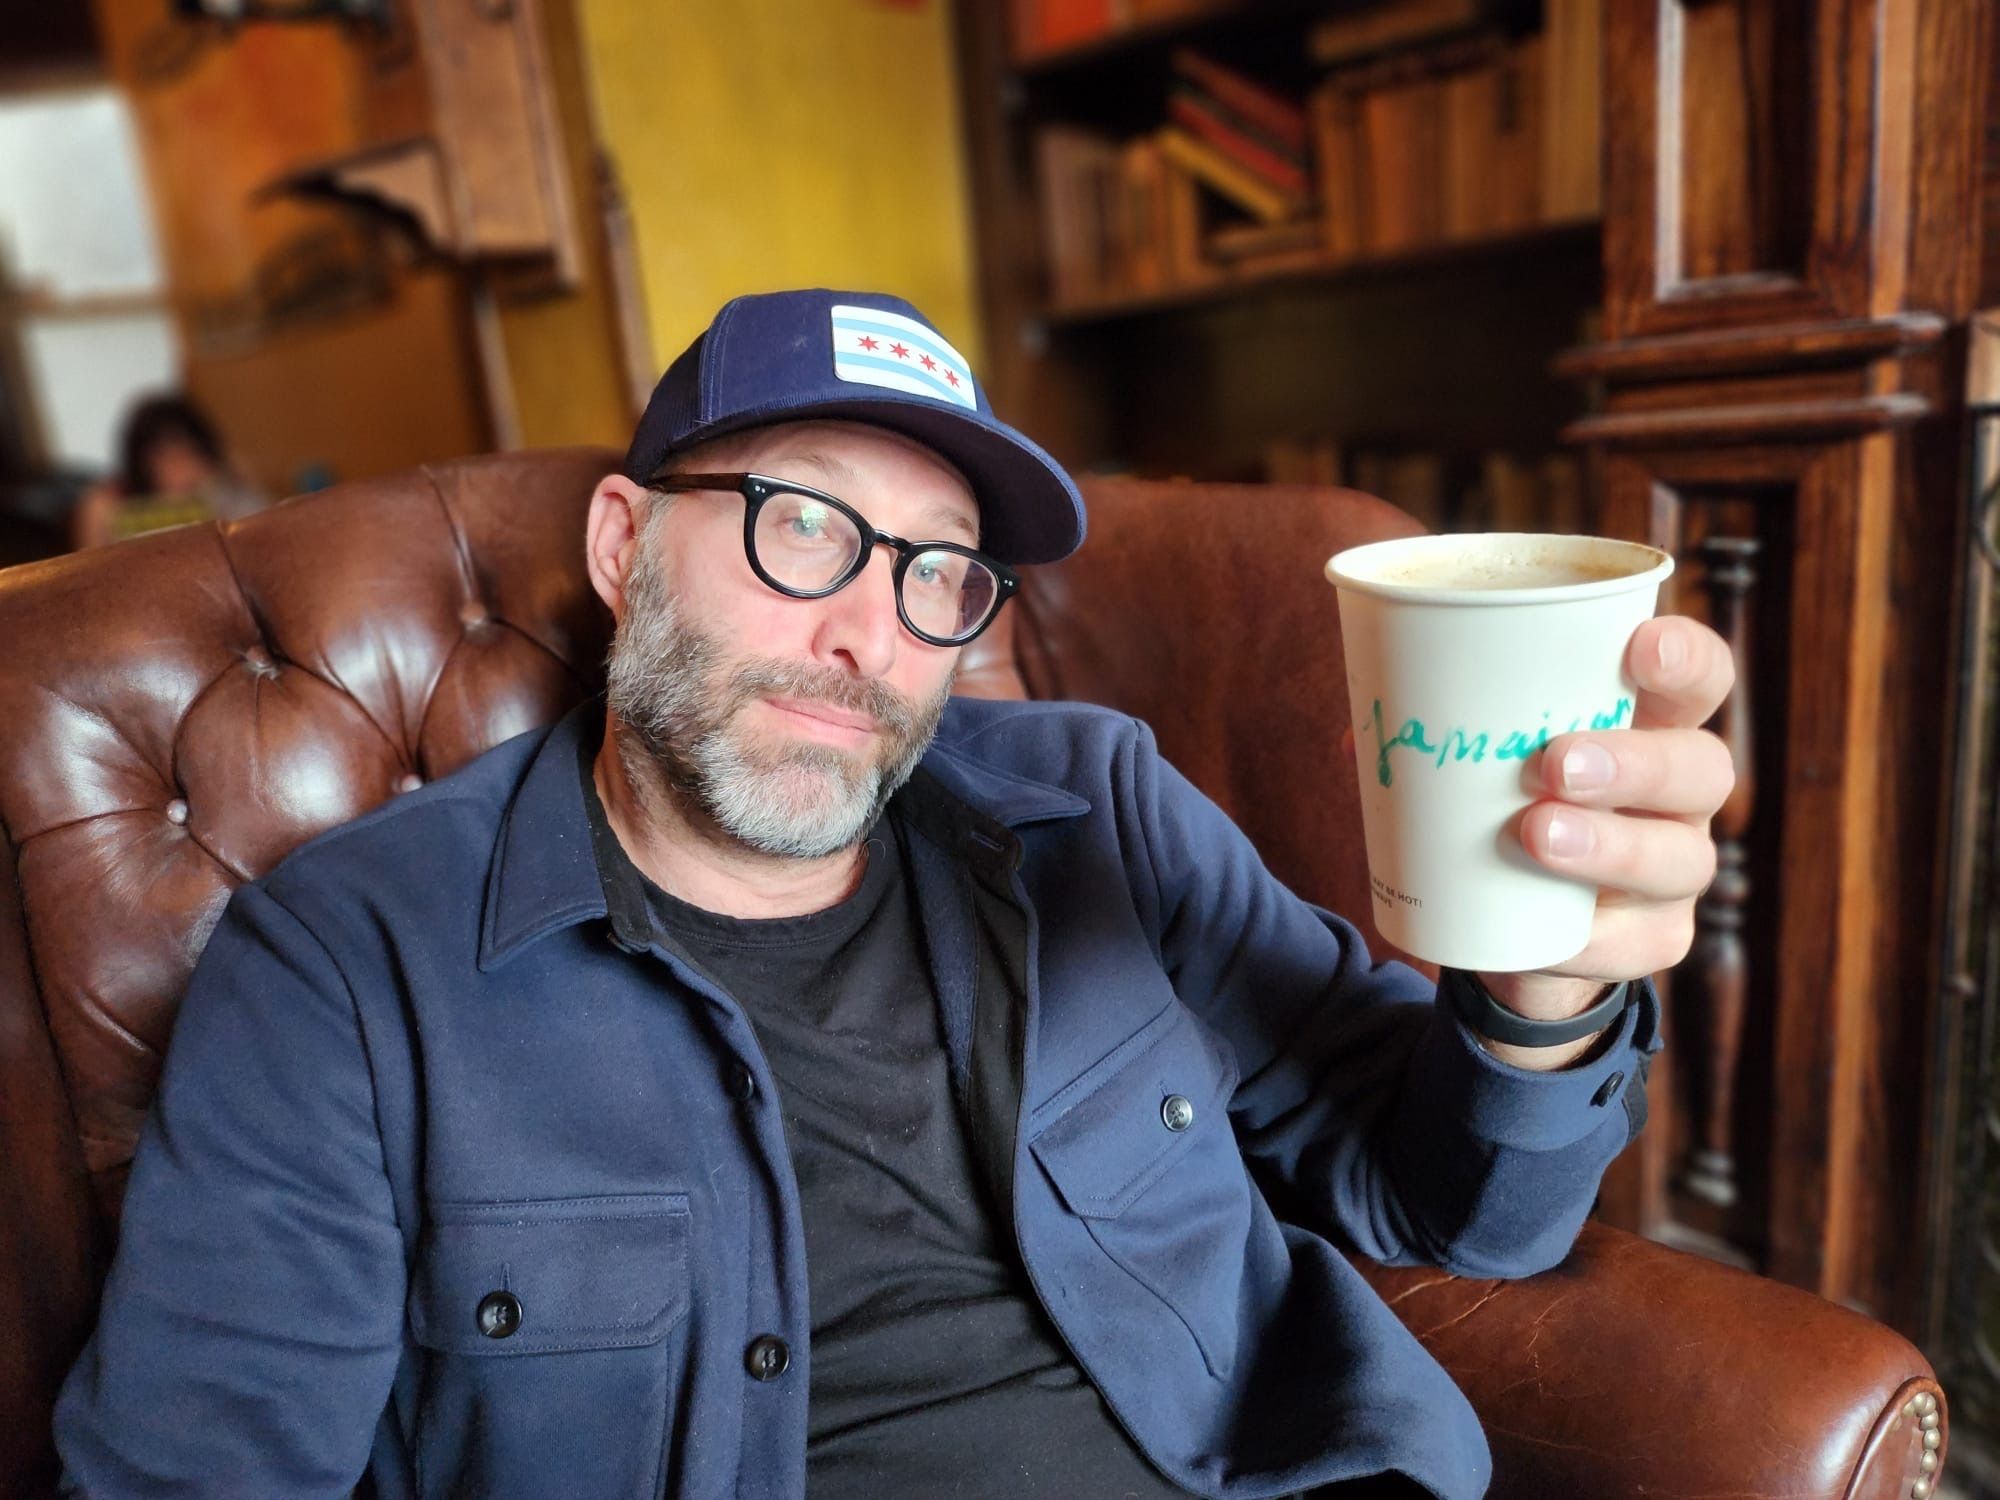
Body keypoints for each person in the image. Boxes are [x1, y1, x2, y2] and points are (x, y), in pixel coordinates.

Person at [53, 290, 1732, 1498]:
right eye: (804, 529)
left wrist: (1543, 991)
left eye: (938, 571)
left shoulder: (1101, 811)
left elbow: (1464, 1209)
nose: (869, 634)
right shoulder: (349, 969)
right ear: (626, 545)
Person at [70, 393, 268, 550]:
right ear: (141, 463)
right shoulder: (107, 504)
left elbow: (263, 533)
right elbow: (89, 574)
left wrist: (232, 481)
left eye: (187, 453)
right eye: (163, 456)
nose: (178, 466)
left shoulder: (222, 490)